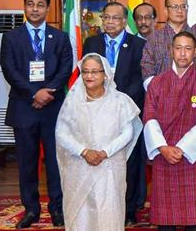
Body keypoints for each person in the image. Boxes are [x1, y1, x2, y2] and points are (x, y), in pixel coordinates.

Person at [0, 0, 72, 228]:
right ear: (25, 7)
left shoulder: (59, 37)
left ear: (47, 9)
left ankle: (57, 209)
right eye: (30, 4)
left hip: (53, 109)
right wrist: (34, 93)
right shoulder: (12, 37)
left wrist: (48, 92)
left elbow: (66, 68)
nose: (35, 9)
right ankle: (31, 210)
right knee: (27, 163)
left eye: (40, 5)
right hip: (24, 107)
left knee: (55, 162)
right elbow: (10, 70)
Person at [55, 53, 143, 231]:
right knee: (81, 212)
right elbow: (61, 133)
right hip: (79, 164)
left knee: (108, 209)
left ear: (105, 74)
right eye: (85, 71)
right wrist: (84, 152)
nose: (89, 76)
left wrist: (104, 153)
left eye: (95, 71)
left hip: (110, 164)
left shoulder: (120, 101)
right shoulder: (72, 101)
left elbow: (128, 132)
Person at [143, 31, 196, 230]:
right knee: (165, 222)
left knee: (195, 220)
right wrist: (163, 148)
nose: (183, 54)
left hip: (193, 158)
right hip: (163, 157)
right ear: (170, 51)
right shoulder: (157, 83)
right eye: (178, 48)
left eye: (188, 49)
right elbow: (149, 118)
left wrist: (182, 148)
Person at [82, 1, 147, 225]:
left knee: (128, 161)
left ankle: (128, 209)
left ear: (124, 21)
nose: (110, 22)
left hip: (126, 111)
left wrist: (119, 103)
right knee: (99, 159)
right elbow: (86, 77)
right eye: (106, 17)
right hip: (96, 113)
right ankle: (98, 205)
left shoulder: (139, 45)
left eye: (115, 18)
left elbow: (140, 80)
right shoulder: (91, 42)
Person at [141, 0, 196, 90]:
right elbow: (147, 70)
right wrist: (160, 91)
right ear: (166, 10)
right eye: (175, 7)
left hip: (193, 95)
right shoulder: (154, 38)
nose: (180, 10)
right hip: (161, 95)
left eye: (183, 6)